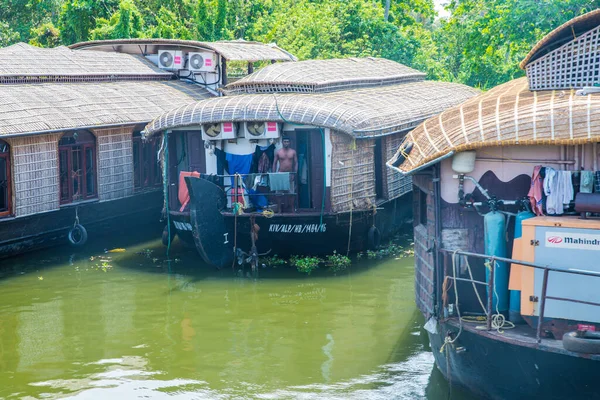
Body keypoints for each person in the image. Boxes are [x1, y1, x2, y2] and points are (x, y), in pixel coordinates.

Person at [272, 137, 298, 212]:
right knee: (279, 193)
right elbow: (274, 163)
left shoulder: (293, 152)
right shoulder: (279, 152)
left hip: (290, 174)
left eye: (287, 141)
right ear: (282, 142)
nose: (286, 143)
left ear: (289, 143)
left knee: (291, 193)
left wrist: (294, 173)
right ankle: (280, 209)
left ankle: (292, 209)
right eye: (285, 141)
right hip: (280, 174)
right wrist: (274, 175)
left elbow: (296, 163)